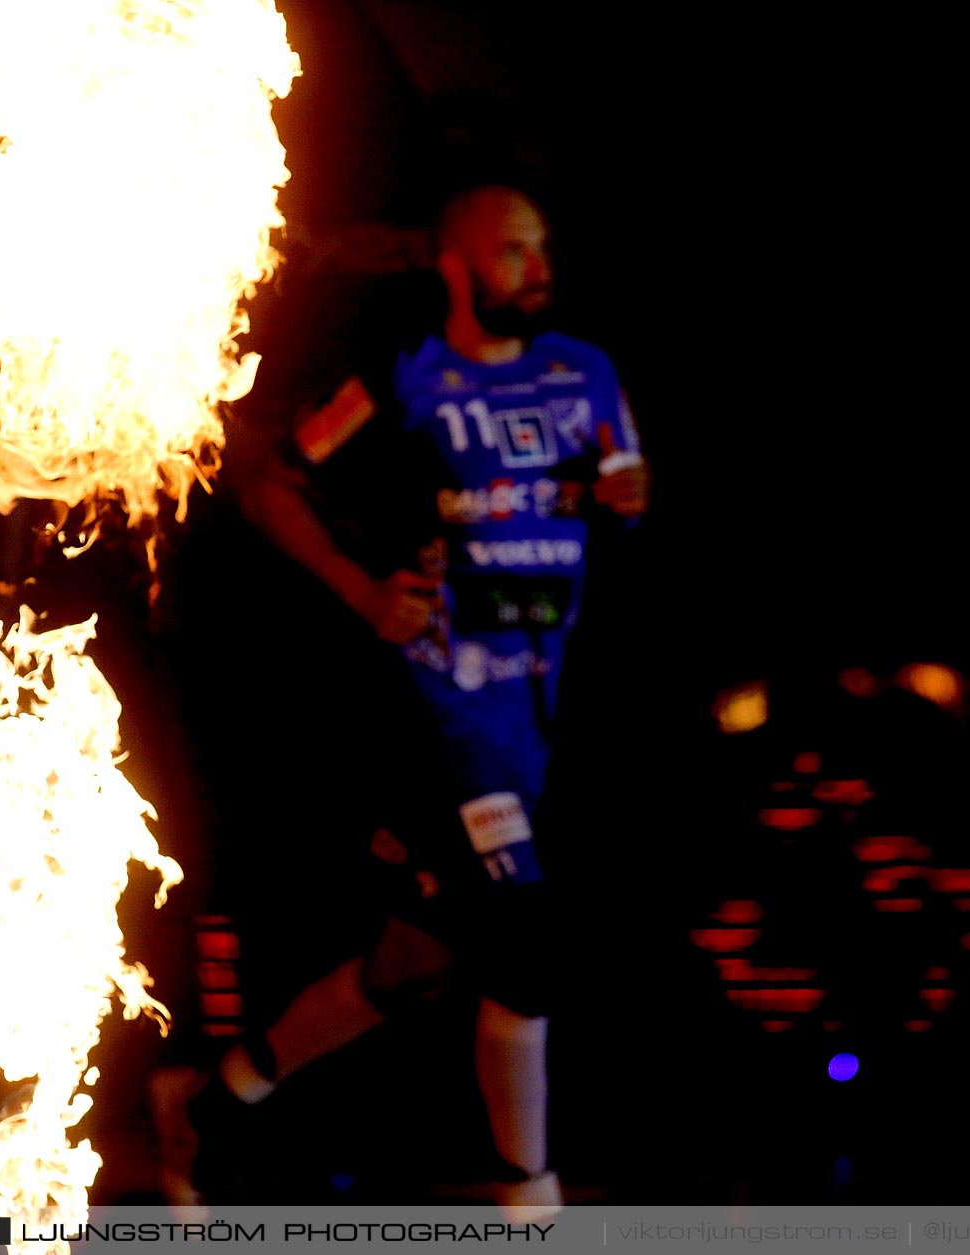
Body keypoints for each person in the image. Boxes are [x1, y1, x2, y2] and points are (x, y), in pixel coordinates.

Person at [149, 185, 649, 1219]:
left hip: (538, 710)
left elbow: (626, 487)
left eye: (542, 247)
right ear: (458, 269)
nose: (536, 267)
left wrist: (613, 497)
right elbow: (271, 486)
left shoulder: (584, 374)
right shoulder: (407, 378)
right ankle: (531, 1196)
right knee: (522, 928)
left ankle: (210, 1104)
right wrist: (365, 589)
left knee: (410, 966)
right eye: (512, 251)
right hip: (439, 704)